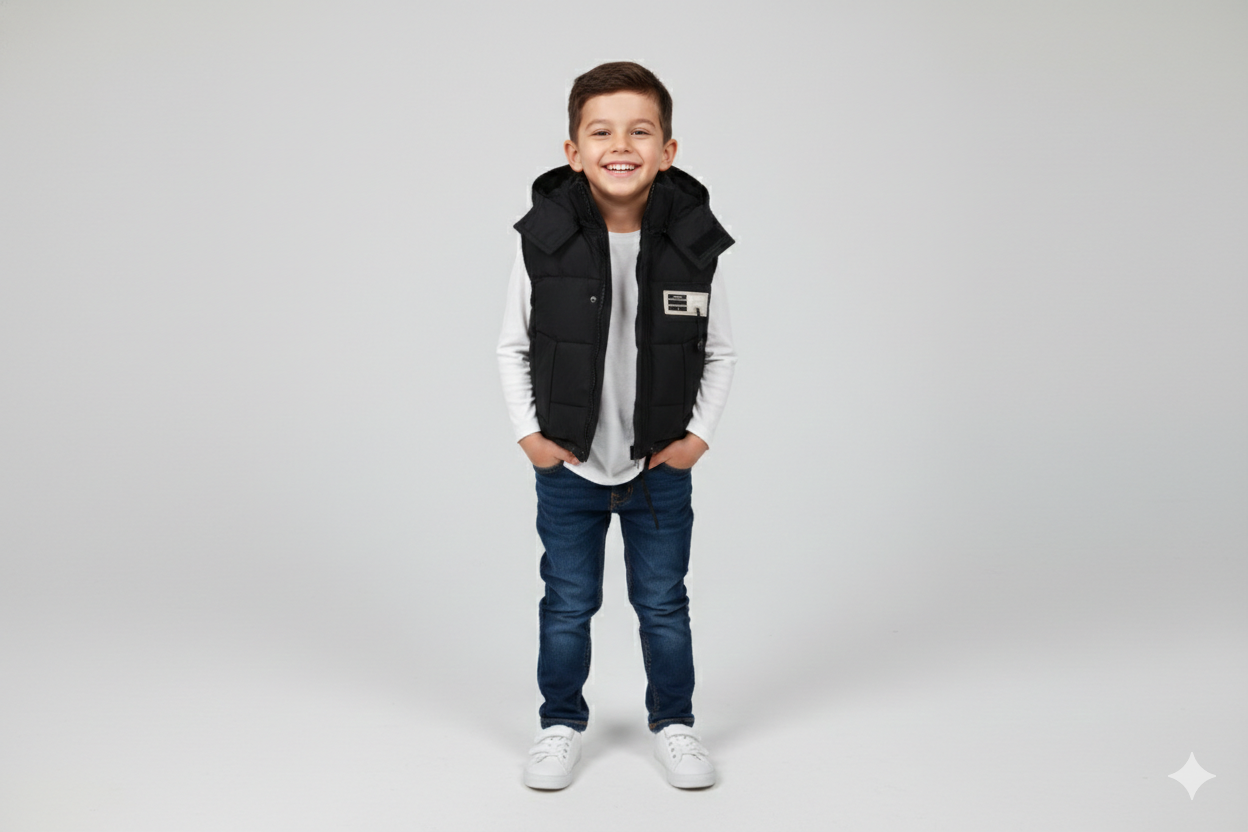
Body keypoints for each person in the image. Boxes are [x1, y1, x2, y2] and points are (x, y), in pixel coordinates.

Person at [496, 61, 737, 790]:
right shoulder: (542, 241)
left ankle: (675, 724)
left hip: (658, 467)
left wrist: (697, 439)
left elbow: (720, 349)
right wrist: (530, 437)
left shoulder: (693, 243)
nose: (621, 145)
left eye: (640, 131)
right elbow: (512, 344)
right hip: (570, 465)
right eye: (601, 132)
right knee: (568, 602)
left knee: (663, 602)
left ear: (668, 150)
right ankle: (560, 724)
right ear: (574, 151)